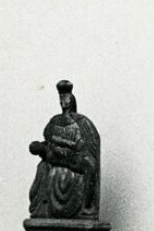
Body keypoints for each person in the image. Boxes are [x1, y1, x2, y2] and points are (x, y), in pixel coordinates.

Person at [27, 80, 100, 220]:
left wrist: (70, 146)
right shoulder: (53, 123)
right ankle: (43, 206)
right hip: (58, 158)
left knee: (90, 166)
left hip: (74, 158)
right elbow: (47, 138)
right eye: (61, 100)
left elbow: (85, 145)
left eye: (66, 100)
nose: (64, 104)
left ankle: (87, 207)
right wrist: (48, 148)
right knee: (42, 168)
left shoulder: (82, 122)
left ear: (71, 101)